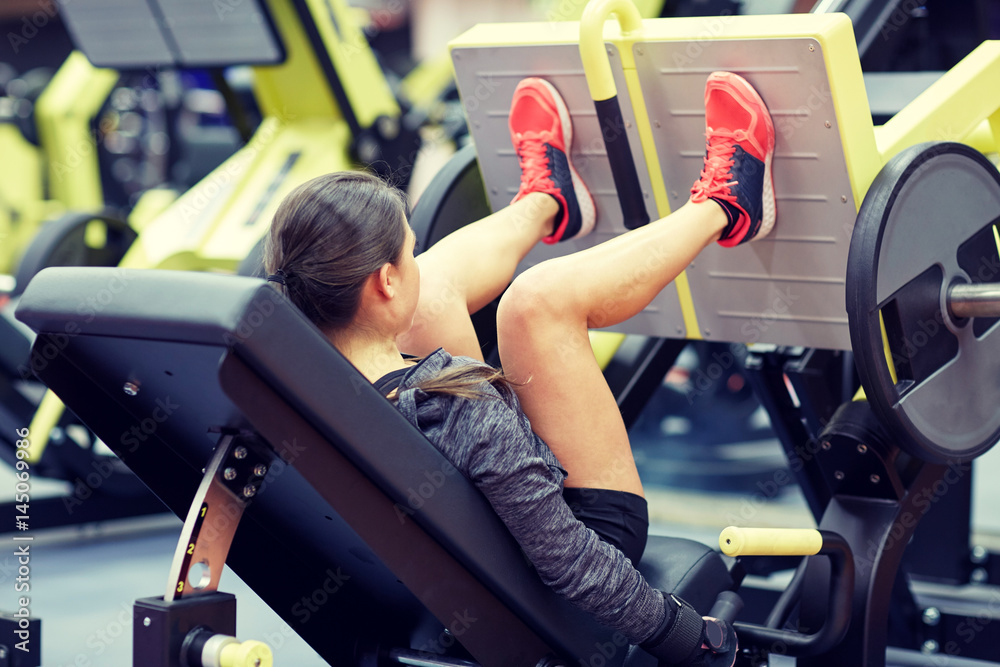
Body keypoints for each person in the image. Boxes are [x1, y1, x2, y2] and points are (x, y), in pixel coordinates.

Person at [263, 71, 775, 666]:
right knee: (538, 303)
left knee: (430, 301)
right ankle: (727, 204)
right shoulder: (457, 403)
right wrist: (686, 633)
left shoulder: (288, 389)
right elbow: (571, 563)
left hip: (479, 566)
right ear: (382, 282)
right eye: (408, 255)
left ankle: (548, 199)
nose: (416, 263)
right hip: (566, 560)